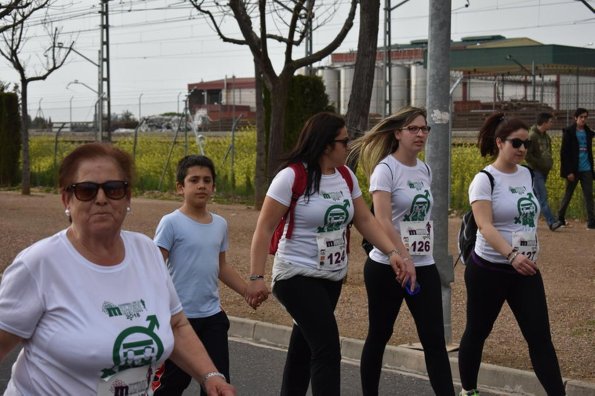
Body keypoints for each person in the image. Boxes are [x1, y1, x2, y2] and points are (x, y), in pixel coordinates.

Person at [0, 143, 235, 396]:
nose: (101, 199)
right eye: (87, 190)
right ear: (66, 199)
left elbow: (176, 324)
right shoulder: (39, 264)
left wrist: (210, 376)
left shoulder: (146, 252)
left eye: (113, 189)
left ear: (128, 197)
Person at [245, 112, 416, 396]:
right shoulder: (291, 177)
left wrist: (392, 252)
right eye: (343, 141)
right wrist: (256, 277)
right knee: (327, 348)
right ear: (326, 145)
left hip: (331, 276)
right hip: (295, 275)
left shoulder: (346, 177)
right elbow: (264, 229)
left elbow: (364, 220)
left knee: (303, 347)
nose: (348, 146)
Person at [348, 107, 454, 396]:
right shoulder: (386, 169)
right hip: (387, 266)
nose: (421, 134)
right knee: (380, 334)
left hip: (424, 265)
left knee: (434, 339)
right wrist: (403, 256)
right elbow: (381, 220)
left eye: (424, 129)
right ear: (397, 133)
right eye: (413, 129)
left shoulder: (425, 169)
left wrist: (415, 258)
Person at [457, 113, 565, 396]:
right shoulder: (484, 179)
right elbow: (485, 225)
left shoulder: (528, 174)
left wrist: (524, 253)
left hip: (525, 271)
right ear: (499, 142)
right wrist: (512, 255)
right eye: (516, 143)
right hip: (489, 270)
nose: (522, 149)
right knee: (478, 332)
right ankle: (469, 390)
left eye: (526, 144)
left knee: (540, 339)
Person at [152, 155, 258, 395]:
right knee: (171, 385)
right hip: (179, 320)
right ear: (181, 187)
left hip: (212, 318)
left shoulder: (219, 224)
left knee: (217, 383)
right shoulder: (171, 223)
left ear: (214, 187)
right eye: (194, 180)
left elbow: (221, 265)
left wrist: (246, 291)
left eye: (207, 180)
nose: (201, 185)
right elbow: (155, 268)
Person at [556, 108, 594, 230]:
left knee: (589, 195)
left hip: (586, 169)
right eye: (581, 117)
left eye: (585, 117)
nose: (583, 119)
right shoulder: (569, 132)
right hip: (574, 170)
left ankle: (592, 222)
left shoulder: (588, 132)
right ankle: (560, 218)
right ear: (575, 118)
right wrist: (568, 172)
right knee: (568, 194)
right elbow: (564, 153)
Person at [526, 112, 562, 231]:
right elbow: (528, 155)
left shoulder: (546, 136)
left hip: (544, 171)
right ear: (544, 122)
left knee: (534, 197)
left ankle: (526, 219)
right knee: (542, 197)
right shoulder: (532, 136)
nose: (552, 124)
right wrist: (540, 164)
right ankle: (552, 222)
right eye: (550, 121)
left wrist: (549, 163)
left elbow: (548, 152)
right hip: (536, 171)